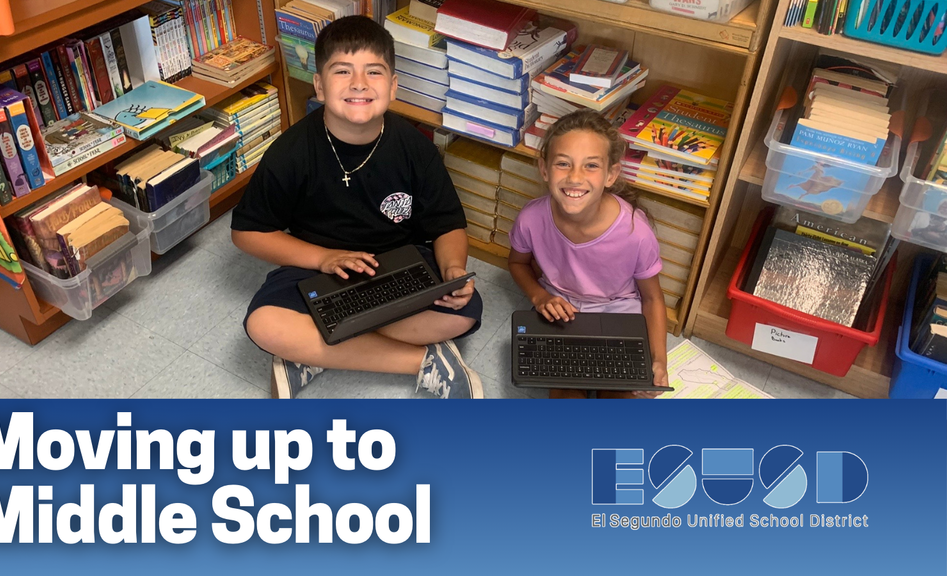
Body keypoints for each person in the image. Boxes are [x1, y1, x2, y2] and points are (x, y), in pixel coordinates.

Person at [231, 16, 483, 399]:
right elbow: (247, 232)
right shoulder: (291, 150)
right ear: (319, 84)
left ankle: (315, 351)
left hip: (401, 264)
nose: (359, 83)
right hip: (316, 269)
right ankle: (425, 363)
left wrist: (452, 270)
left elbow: (447, 222)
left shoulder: (413, 147)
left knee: (464, 313)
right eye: (342, 71)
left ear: (394, 86)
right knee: (265, 325)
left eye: (374, 72)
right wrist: (324, 258)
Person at [507, 110, 669, 399]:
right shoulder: (531, 218)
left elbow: (653, 298)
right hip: (561, 310)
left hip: (618, 310)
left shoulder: (636, 232)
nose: (575, 177)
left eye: (591, 165)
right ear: (544, 170)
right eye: (562, 164)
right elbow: (517, 263)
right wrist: (539, 296)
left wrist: (658, 360)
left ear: (611, 175)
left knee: (622, 403)